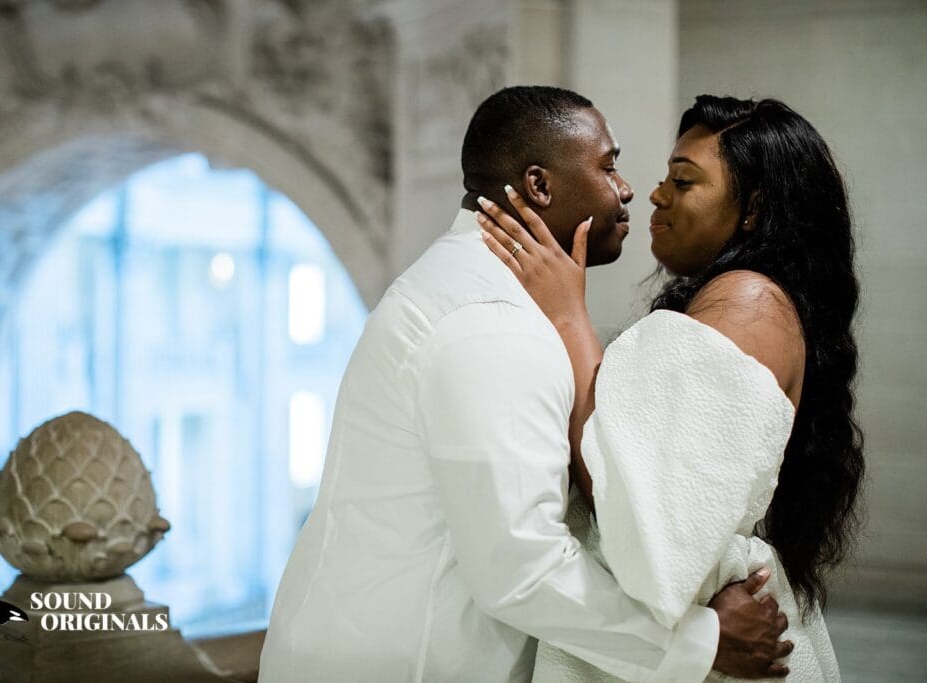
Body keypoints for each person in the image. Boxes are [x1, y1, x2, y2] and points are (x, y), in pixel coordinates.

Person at [259, 87, 792, 682]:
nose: (629, 189)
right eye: (608, 164)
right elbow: (522, 566)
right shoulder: (491, 320)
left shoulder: (476, 289)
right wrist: (702, 641)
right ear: (539, 186)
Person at [478, 94, 863, 681]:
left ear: (754, 209)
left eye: (682, 182)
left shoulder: (748, 302)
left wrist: (566, 315)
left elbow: (635, 512)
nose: (652, 194)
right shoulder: (738, 297)